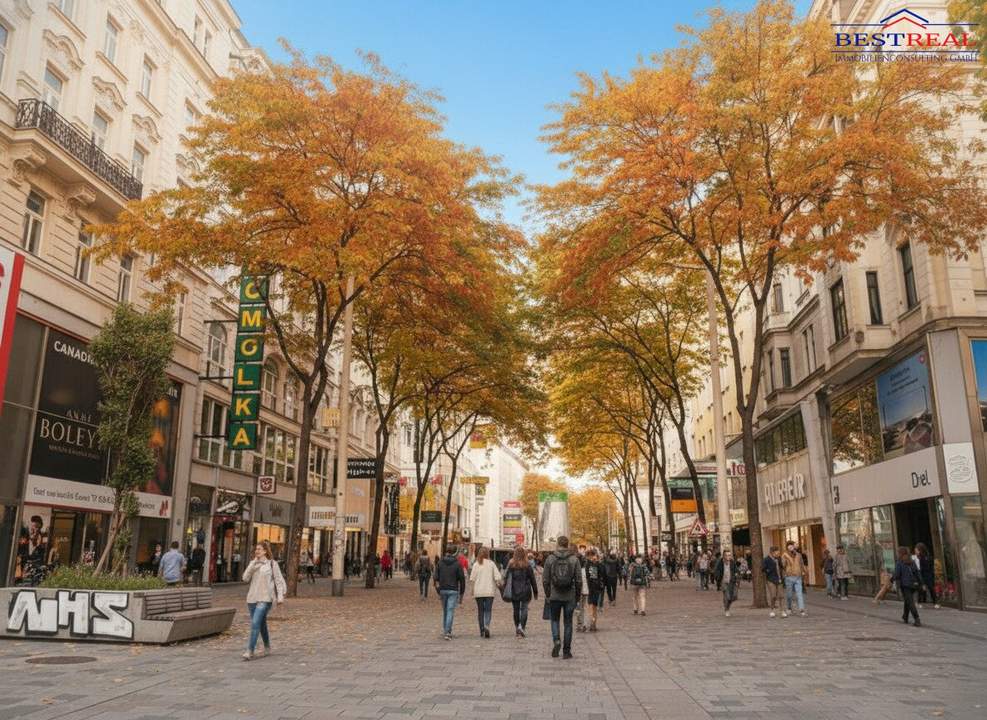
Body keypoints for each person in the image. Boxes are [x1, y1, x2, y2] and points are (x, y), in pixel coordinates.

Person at [241, 542, 286, 660]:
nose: (257, 551)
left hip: (265, 598)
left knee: (255, 623)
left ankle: (250, 650)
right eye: (256, 549)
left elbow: (278, 581)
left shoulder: (272, 564)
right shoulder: (253, 563)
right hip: (252, 598)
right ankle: (267, 646)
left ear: (265, 551)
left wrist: (280, 597)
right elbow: (245, 578)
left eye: (259, 549)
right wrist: (253, 564)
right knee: (261, 623)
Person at [543, 535, 581, 659]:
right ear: (567, 544)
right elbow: (579, 580)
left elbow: (545, 580)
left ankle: (556, 641)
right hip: (569, 596)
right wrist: (577, 596)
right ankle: (566, 651)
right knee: (568, 623)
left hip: (554, 596)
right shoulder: (574, 559)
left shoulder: (550, 558)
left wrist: (548, 594)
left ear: (558, 544)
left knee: (554, 620)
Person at [469, 547, 502, 638]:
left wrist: (472, 590)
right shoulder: (491, 564)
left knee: (480, 611)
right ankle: (487, 625)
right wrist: (499, 584)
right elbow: (497, 577)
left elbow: (472, 579)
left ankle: (482, 630)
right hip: (489, 591)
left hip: (478, 591)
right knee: (488, 610)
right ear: (488, 554)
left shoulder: (476, 564)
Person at [505, 547, 538, 637]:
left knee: (515, 610)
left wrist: (504, 588)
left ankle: (517, 628)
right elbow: (532, 579)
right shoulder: (527, 565)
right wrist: (535, 592)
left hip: (514, 590)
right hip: (526, 590)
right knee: (524, 609)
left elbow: (506, 577)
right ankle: (521, 627)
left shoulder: (511, 565)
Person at [435, 544, 466, 640]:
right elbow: (462, 580)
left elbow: (435, 578)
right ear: (455, 553)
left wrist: (438, 590)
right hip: (453, 590)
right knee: (450, 611)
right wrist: (461, 594)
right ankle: (447, 631)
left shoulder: (440, 562)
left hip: (443, 590)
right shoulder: (457, 564)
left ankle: (446, 630)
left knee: (445, 611)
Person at [893, 545, 922, 626]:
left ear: (900, 553)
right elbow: (917, 572)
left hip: (905, 585)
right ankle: (905, 616)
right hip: (913, 585)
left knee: (910, 601)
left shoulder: (900, 562)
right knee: (907, 600)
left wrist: (892, 579)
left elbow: (897, 574)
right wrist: (920, 583)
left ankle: (917, 618)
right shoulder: (911, 561)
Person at [781, 541, 807, 617]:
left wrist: (803, 571)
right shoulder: (784, 555)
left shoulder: (799, 555)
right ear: (787, 547)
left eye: (791, 545)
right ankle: (789, 608)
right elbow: (782, 565)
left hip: (798, 576)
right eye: (789, 546)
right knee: (789, 595)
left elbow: (801, 564)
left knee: (799, 594)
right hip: (789, 577)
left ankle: (802, 610)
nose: (790, 547)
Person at [714, 549, 740, 617]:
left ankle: (727, 607)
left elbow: (736, 570)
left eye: (729, 555)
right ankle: (727, 610)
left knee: (733, 597)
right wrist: (718, 579)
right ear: (724, 556)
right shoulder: (720, 562)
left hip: (732, 581)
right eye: (727, 555)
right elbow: (716, 571)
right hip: (724, 582)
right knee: (727, 596)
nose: (729, 556)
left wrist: (737, 576)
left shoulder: (732, 562)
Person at [584, 548, 605, 631]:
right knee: (593, 607)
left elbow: (595, 576)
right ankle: (593, 623)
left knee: (592, 606)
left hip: (591, 588)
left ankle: (593, 623)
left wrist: (596, 563)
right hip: (593, 588)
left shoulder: (591, 564)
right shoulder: (591, 564)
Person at [914, 543, 939, 609]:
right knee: (923, 589)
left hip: (926, 575)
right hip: (926, 575)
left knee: (929, 588)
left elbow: (926, 568)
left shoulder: (924, 558)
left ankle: (934, 602)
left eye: (916, 550)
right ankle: (921, 602)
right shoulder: (919, 558)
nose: (915, 552)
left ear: (920, 550)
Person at [762, 546, 783, 618]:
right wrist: (769, 570)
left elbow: (782, 567)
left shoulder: (778, 559)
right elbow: (763, 569)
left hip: (779, 579)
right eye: (777, 552)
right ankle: (772, 610)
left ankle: (782, 611)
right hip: (770, 580)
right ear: (773, 552)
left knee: (781, 596)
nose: (779, 553)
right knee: (773, 595)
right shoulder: (766, 559)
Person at [576, 559, 590, 632]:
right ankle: (585, 624)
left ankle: (579, 624)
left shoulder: (577, 571)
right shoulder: (589, 570)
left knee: (579, 608)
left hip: (579, 592)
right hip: (587, 591)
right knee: (586, 608)